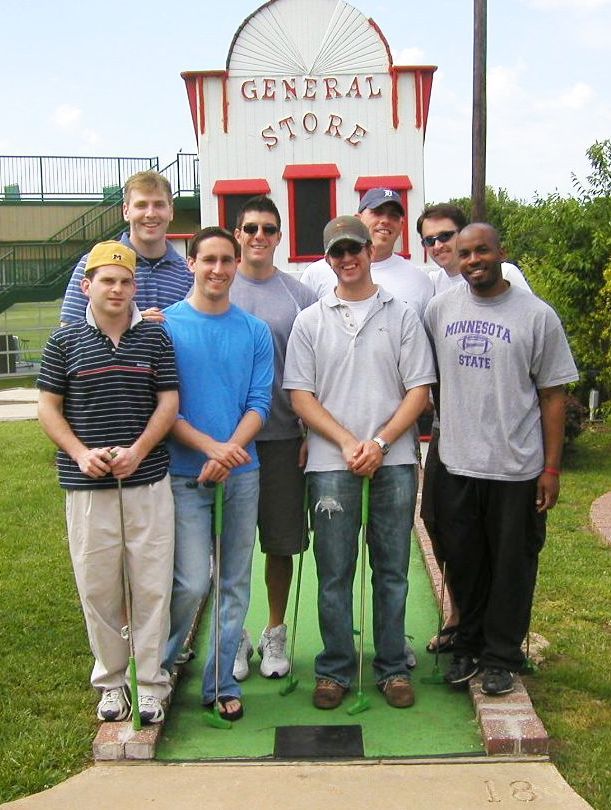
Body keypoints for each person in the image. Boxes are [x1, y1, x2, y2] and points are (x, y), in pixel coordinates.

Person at [284, 216, 436, 710]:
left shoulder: (402, 314)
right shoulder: (311, 320)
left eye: (355, 249)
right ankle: (335, 668)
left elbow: (419, 390)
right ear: (326, 259)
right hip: (331, 463)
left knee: (391, 568)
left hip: (392, 461)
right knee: (335, 570)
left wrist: (380, 441)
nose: (347, 259)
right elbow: (301, 396)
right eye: (337, 252)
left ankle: (392, 666)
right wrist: (350, 442)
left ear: (370, 251)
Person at [424, 223, 578, 696]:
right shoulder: (439, 309)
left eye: (482, 251)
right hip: (457, 460)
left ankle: (502, 655)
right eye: (465, 253)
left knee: (512, 563)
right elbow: (432, 378)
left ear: (500, 253)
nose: (473, 260)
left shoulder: (537, 316)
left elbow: (553, 395)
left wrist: (550, 468)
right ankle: (467, 645)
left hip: (516, 464)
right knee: (464, 560)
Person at [37, 240, 179, 724]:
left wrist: (138, 450)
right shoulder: (64, 341)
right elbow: (48, 408)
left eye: (125, 281)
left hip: (149, 481)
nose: (116, 289)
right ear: (88, 286)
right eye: (107, 280)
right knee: (98, 588)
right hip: (87, 487)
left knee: (151, 584)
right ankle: (113, 681)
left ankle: (152, 682)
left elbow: (167, 403)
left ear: (134, 287)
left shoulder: (156, 339)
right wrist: (79, 453)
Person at [162, 226, 273, 721]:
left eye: (227, 260)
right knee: (190, 583)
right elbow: (164, 407)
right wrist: (212, 449)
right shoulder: (162, 326)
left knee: (234, 581)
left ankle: (221, 678)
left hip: (241, 475)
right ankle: (157, 670)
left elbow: (260, 404)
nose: (218, 270)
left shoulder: (254, 331)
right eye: (208, 259)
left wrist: (229, 453)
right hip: (185, 475)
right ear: (191, 263)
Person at [416, 203, 533, 655]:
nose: (441, 246)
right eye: (431, 240)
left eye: (448, 236)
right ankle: (464, 618)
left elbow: (537, 379)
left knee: (502, 546)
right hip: (451, 433)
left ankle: (497, 643)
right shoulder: (434, 293)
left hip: (505, 444)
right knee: (442, 524)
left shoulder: (515, 287)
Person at [228, 195, 317, 680]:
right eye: (250, 229)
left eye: (268, 229)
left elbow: (314, 369)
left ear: (279, 236)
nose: (258, 236)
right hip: (232, 442)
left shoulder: (299, 296)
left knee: (279, 542)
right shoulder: (220, 285)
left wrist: (308, 430)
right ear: (238, 234)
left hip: (284, 437)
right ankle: (234, 634)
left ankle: (275, 632)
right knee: (232, 545)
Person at [60, 170, 192, 325]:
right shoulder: (93, 263)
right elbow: (68, 332)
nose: (150, 213)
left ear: (171, 211)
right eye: (141, 205)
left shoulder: (187, 274)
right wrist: (128, 323)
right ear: (126, 211)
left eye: (159, 205)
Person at [300, 188, 433, 321]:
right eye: (377, 212)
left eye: (393, 215)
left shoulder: (420, 281)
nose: (385, 220)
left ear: (401, 225)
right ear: (358, 219)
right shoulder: (316, 274)